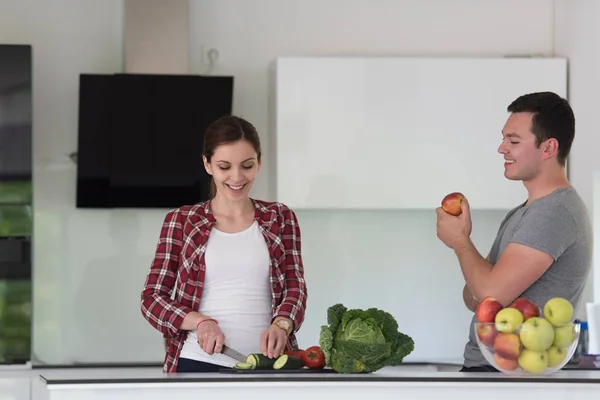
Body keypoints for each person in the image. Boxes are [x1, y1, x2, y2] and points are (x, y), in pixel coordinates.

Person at [435, 91, 592, 372]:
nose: (501, 148)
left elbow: (489, 293)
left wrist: (460, 242)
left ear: (548, 148)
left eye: (514, 141)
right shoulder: (524, 211)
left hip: (514, 376)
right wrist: (482, 281)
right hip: (496, 372)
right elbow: (475, 298)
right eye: (504, 138)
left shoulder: (554, 212)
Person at [140, 115, 308, 373]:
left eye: (247, 165)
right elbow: (152, 299)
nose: (237, 177)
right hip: (199, 362)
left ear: (259, 163)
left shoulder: (280, 217)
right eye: (224, 166)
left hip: (270, 364)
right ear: (207, 164)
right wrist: (201, 322)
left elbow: (295, 286)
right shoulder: (181, 221)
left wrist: (282, 324)